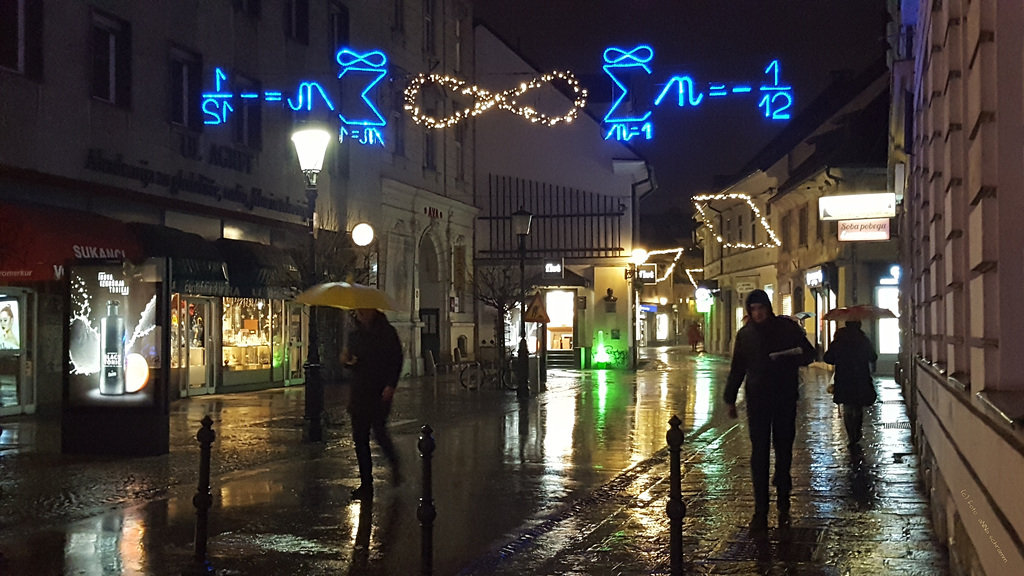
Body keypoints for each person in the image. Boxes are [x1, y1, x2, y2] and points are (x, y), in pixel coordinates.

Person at [724, 289, 815, 534]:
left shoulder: (786, 328)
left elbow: (809, 354)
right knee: (759, 452)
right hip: (758, 400)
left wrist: (790, 359)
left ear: (768, 307)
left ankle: (783, 490)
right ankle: (760, 507)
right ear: (749, 311)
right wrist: (730, 398)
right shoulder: (745, 335)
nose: (758, 312)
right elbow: (738, 368)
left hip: (784, 396)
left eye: (760, 307)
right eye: (753, 309)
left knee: (784, 446)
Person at [342, 308, 403, 501]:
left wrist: (391, 385)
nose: (361, 315)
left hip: (379, 392)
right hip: (359, 392)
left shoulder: (386, 332)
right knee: (360, 439)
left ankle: (394, 463)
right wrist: (346, 361)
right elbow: (353, 362)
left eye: (364, 312)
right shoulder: (355, 335)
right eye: (359, 313)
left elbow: (396, 359)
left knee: (379, 431)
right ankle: (366, 484)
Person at [823, 320, 878, 446]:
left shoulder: (839, 340)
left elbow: (828, 358)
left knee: (847, 407)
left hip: (844, 378)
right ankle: (857, 432)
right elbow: (873, 357)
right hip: (860, 377)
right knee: (857, 406)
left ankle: (851, 435)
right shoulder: (863, 339)